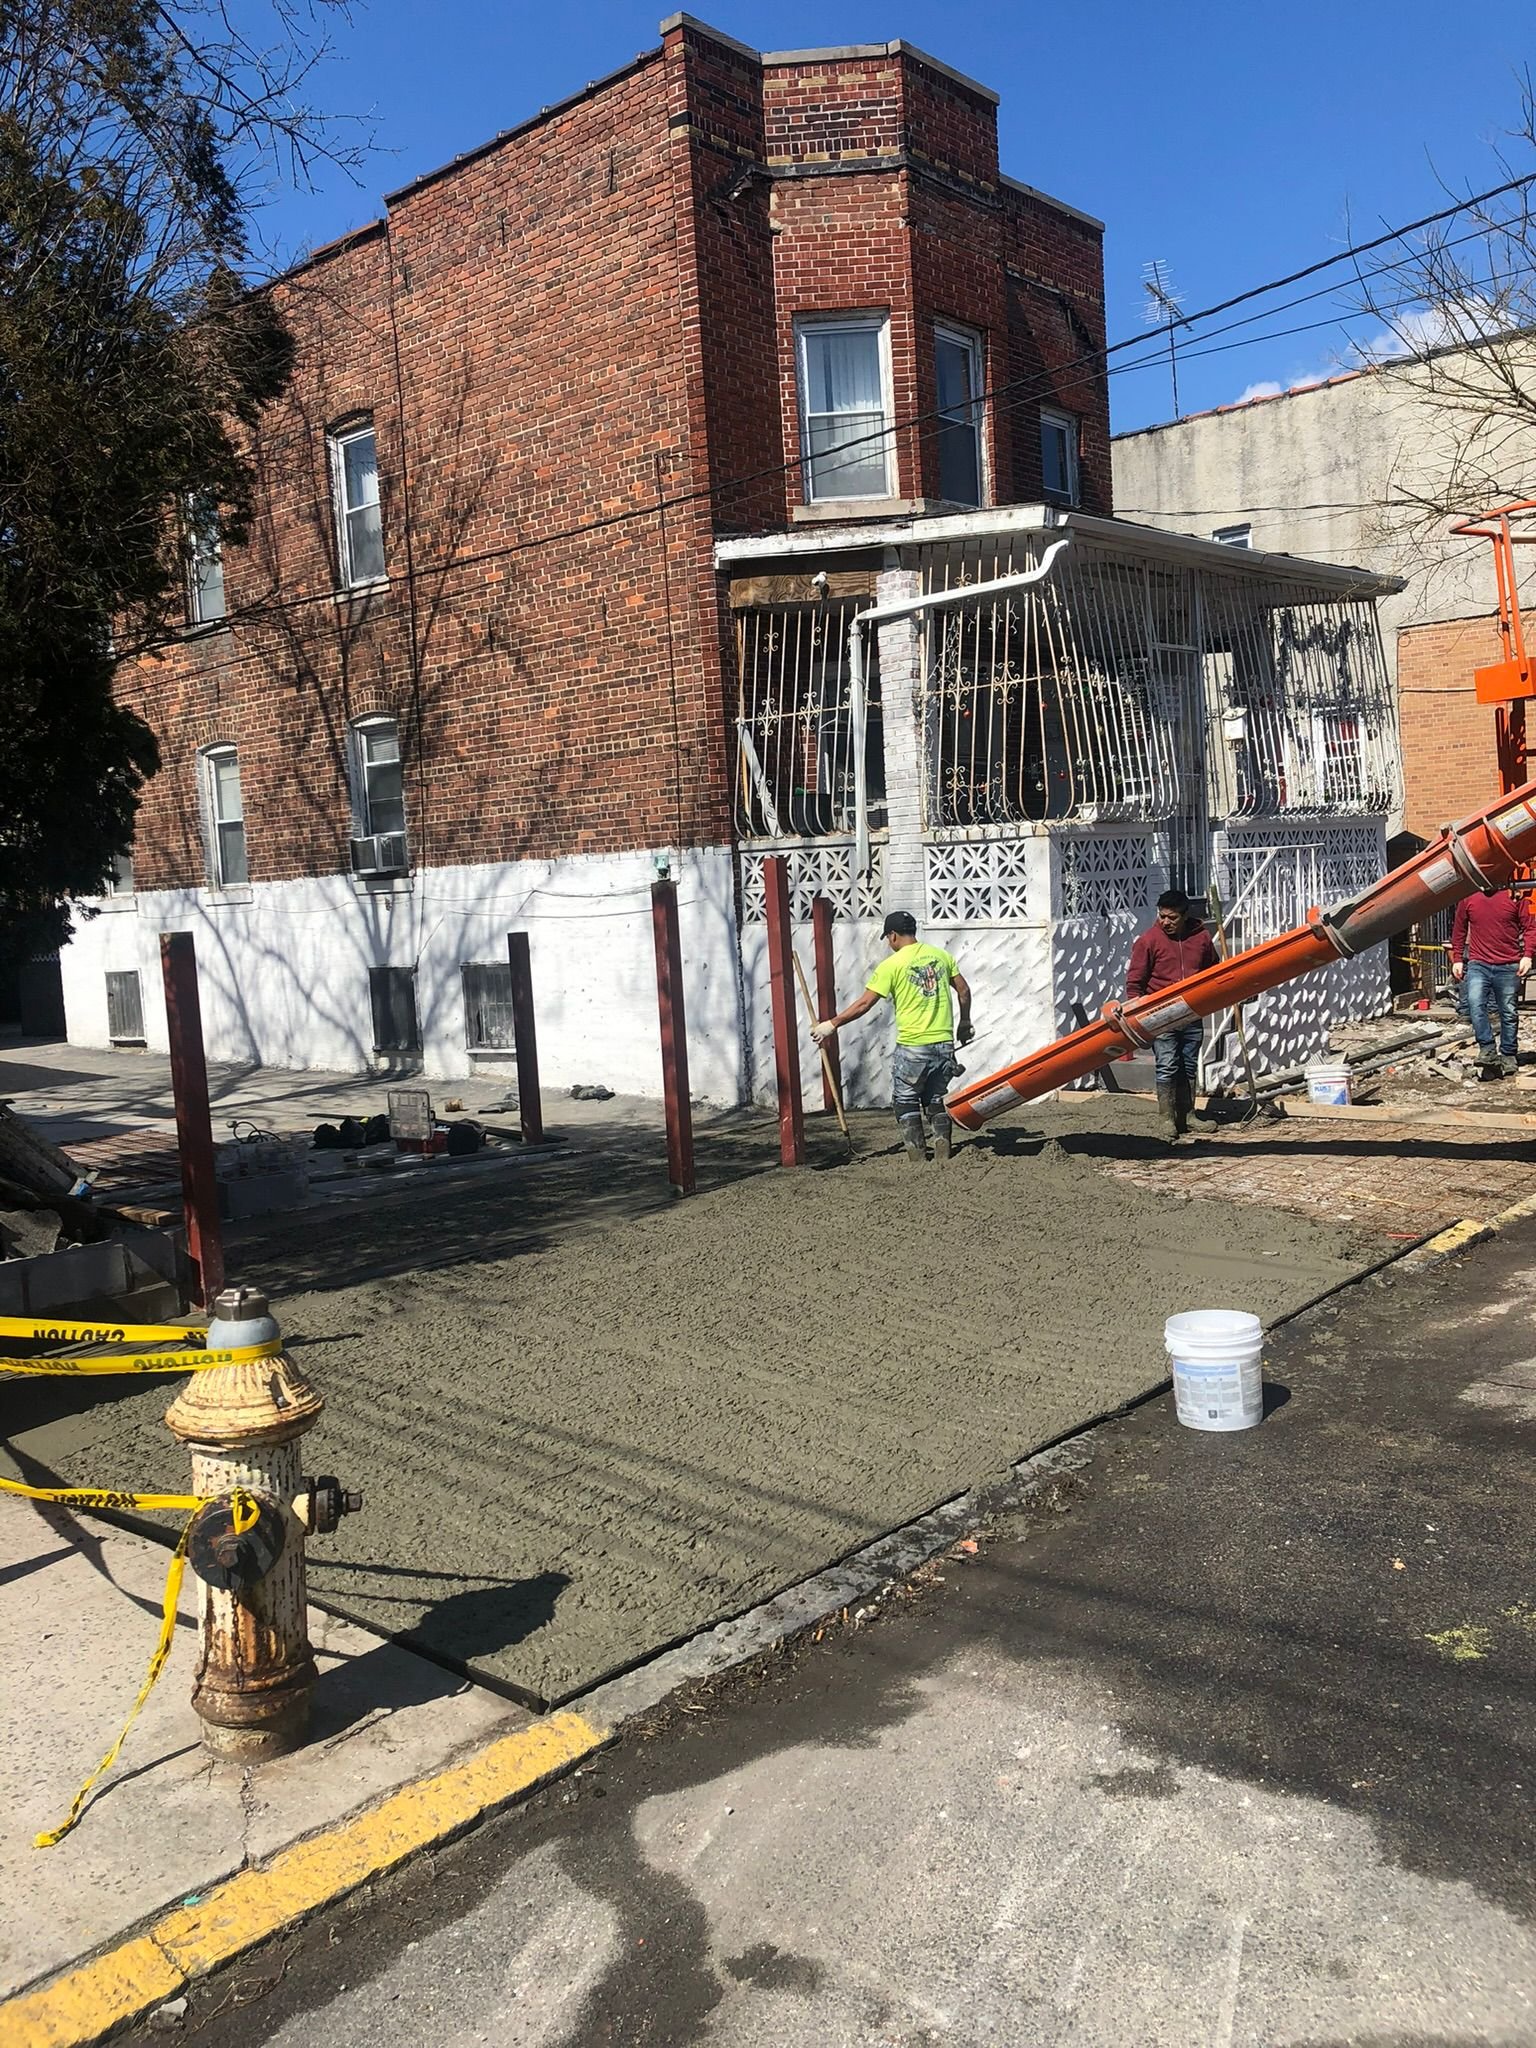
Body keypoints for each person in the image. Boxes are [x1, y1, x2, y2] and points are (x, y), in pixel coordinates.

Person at [812, 911, 974, 1163]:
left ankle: (918, 1159)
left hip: (913, 1046)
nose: (889, 943)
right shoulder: (942, 957)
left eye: (888, 938)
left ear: (893, 935)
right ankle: (943, 1153)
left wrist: (832, 1024)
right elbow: (963, 990)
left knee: (906, 1101)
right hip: (944, 1045)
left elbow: (864, 1003)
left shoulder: (892, 965)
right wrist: (964, 1022)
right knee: (935, 1099)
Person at [1125, 887, 1219, 1143]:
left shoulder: (1201, 939)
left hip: (1192, 1011)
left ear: (1185, 915)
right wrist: (1139, 1011)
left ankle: (1187, 1115)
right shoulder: (1148, 941)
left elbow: (1213, 970)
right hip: (1161, 1014)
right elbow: (1135, 982)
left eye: (1172, 917)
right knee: (1167, 1065)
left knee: (1188, 1064)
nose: (1166, 922)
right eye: (1162, 916)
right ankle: (1166, 1117)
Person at [1451, 880, 1534, 1076]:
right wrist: (1457, 958)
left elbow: (1530, 928)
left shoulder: (1515, 896)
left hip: (1508, 964)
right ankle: (1487, 1049)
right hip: (1478, 963)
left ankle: (1508, 1054)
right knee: (1475, 1005)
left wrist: (1528, 956)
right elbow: (1459, 929)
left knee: (1508, 1011)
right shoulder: (1468, 898)